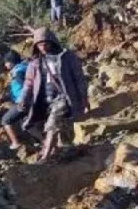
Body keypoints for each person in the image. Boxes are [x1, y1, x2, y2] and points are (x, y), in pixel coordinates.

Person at [17, 28, 88, 161]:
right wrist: (23, 99)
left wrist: (84, 98)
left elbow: (79, 78)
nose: (43, 47)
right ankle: (64, 150)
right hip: (44, 100)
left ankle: (46, 156)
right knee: (41, 125)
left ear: (52, 42)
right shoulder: (35, 63)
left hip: (64, 97)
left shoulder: (67, 57)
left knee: (52, 123)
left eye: (45, 43)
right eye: (40, 44)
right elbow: (29, 83)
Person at [1, 50, 29, 150]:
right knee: (27, 124)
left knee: (5, 120)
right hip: (30, 101)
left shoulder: (18, 72)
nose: (5, 65)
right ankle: (44, 142)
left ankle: (15, 143)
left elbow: (26, 87)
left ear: (11, 62)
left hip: (24, 102)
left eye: (6, 62)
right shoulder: (25, 68)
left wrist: (24, 100)